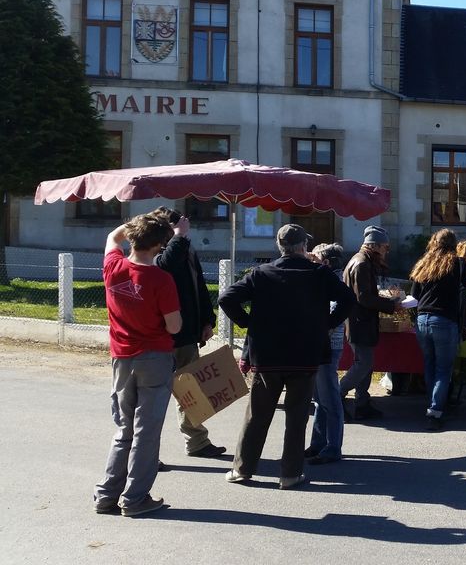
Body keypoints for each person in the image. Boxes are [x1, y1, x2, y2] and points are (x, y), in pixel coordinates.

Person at [219, 224, 354, 490]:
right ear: (304, 247)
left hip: (267, 356)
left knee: (257, 414)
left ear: (279, 247)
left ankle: (243, 468)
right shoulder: (320, 273)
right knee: (297, 415)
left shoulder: (262, 273)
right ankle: (290, 473)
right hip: (305, 355)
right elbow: (348, 299)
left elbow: (226, 298)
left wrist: (248, 322)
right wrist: (327, 323)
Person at [94, 213, 181, 517]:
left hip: (122, 357)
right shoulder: (161, 279)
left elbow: (111, 238)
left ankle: (106, 495)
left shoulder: (113, 267)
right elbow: (173, 326)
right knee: (146, 431)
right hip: (154, 357)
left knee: (123, 429)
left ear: (133, 237)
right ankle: (135, 499)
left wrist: (136, 222)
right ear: (159, 245)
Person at [149, 207, 225, 459]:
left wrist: (207, 320)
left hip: (186, 336)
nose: (181, 230)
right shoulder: (152, 251)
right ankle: (147, 453)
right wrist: (179, 237)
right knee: (154, 399)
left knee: (191, 395)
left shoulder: (186, 249)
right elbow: (165, 266)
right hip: (161, 340)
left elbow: (198, 286)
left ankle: (197, 443)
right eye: (174, 227)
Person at [409, 229, 466, 430]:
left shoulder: (424, 263)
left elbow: (414, 297)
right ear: (454, 244)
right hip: (444, 319)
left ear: (434, 242)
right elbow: (463, 296)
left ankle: (433, 403)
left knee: (430, 364)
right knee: (444, 369)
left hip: (422, 319)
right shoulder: (458, 264)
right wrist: (464, 324)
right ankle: (435, 411)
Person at [339, 225, 403, 420]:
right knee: (363, 363)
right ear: (374, 246)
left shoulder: (361, 261)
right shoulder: (361, 264)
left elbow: (365, 295)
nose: (386, 252)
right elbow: (364, 298)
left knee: (365, 364)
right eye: (385, 247)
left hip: (360, 320)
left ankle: (362, 403)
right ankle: (337, 395)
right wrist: (392, 306)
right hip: (360, 321)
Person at [306, 243, 348, 464]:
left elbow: (335, 308)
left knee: (329, 398)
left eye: (317, 257)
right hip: (323, 344)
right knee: (319, 399)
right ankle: (319, 443)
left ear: (327, 262)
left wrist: (326, 327)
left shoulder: (334, 279)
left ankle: (333, 447)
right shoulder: (327, 276)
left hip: (329, 345)